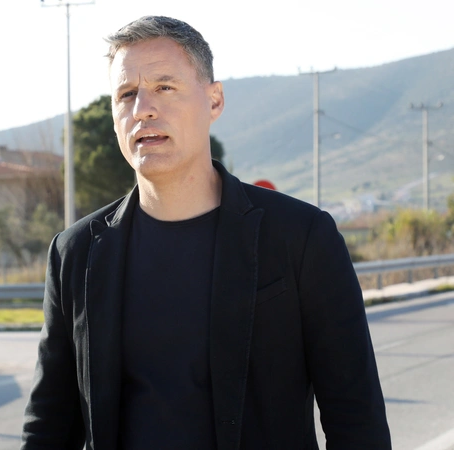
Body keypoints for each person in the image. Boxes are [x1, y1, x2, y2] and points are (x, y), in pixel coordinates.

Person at [21, 15, 391, 450]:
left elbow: (357, 419)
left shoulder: (301, 237)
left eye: (164, 87)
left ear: (214, 101)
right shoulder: (76, 252)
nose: (142, 109)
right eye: (126, 94)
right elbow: (48, 426)